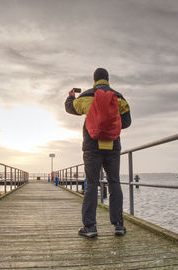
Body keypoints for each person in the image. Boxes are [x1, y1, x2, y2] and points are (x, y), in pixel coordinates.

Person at [65, 68, 131, 238]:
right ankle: (118, 225)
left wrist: (71, 96)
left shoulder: (87, 96)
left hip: (92, 146)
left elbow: (71, 108)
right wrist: (110, 124)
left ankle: (90, 227)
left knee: (92, 184)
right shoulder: (119, 97)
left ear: (94, 79)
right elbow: (126, 122)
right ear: (108, 79)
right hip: (113, 145)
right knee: (114, 182)